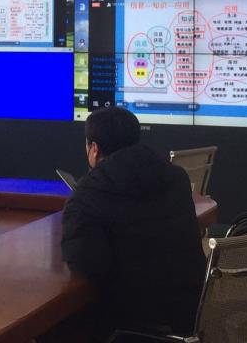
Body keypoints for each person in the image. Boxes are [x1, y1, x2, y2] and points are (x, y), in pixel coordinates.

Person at [60, 107, 206, 339]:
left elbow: (85, 266)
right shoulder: (176, 178)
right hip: (191, 312)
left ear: (94, 149)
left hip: (127, 324)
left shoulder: (87, 195)